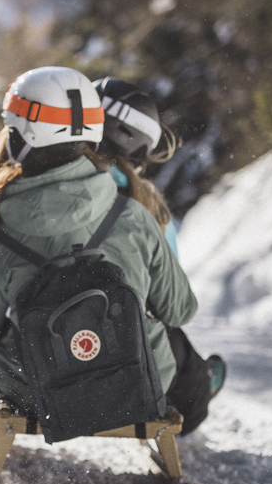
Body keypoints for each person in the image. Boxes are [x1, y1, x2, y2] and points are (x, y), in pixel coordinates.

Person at [0, 66, 220, 434]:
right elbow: (181, 309)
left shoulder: (6, 233)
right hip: (135, 379)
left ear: (19, 139)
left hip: (38, 391)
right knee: (166, 337)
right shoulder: (136, 216)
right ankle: (192, 399)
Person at [92, 75, 226, 430]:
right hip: (125, 371)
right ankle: (198, 388)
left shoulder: (43, 187)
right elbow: (173, 304)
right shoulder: (147, 207)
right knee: (166, 331)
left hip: (45, 355)